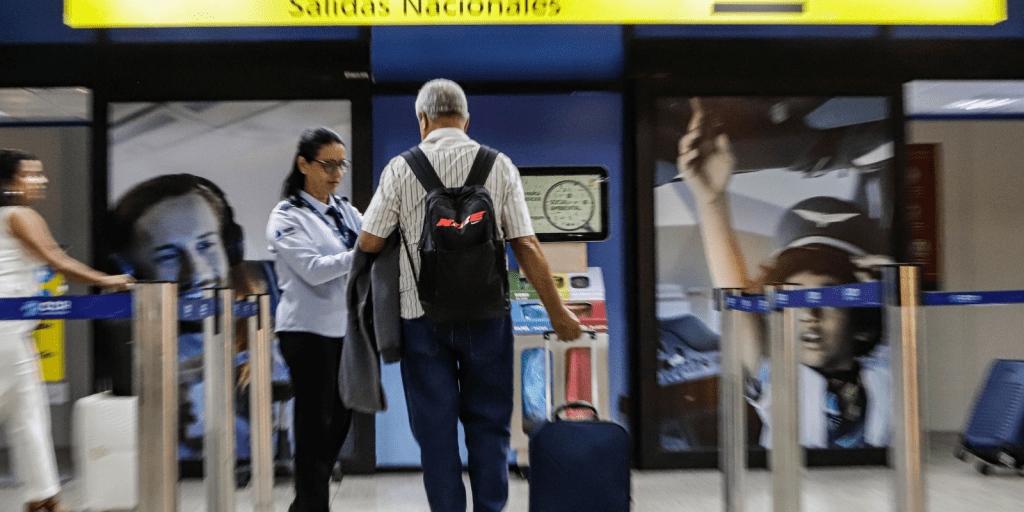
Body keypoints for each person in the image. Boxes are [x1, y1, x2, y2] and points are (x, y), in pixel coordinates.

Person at [358, 79, 583, 512]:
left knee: (436, 435)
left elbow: (369, 241)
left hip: (421, 320)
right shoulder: (498, 165)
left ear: (421, 120)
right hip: (488, 318)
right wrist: (557, 313)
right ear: (466, 119)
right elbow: (526, 245)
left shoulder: (401, 168)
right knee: (490, 429)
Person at [676, 98, 892, 449]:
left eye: (829, 295)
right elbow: (735, 295)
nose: (810, 314)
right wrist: (711, 200)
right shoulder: (774, 375)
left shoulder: (889, 372)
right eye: (795, 295)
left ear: (858, 308)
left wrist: (892, 289)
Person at [106, 173, 288, 462]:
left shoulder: (274, 293)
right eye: (167, 256)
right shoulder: (133, 342)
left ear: (229, 246)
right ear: (132, 270)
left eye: (206, 245)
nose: (198, 271)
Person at [0, 149, 134, 512]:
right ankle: (43, 496)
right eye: (30, 174)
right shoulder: (20, 214)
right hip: (7, 332)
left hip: (14, 328)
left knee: (28, 413)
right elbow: (56, 260)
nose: (40, 180)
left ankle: (43, 496)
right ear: (10, 182)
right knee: (26, 413)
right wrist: (109, 280)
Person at [266, 127, 361, 512]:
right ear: (304, 164)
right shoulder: (286, 215)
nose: (336, 173)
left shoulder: (346, 210)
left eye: (341, 164)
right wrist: (364, 252)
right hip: (305, 332)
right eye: (327, 164)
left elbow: (375, 242)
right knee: (313, 424)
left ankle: (303, 505)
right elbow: (314, 269)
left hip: (345, 331)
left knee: (340, 420)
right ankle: (312, 505)